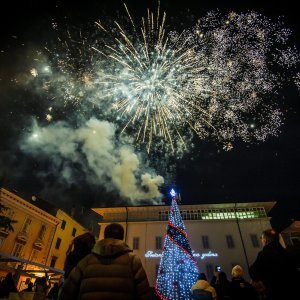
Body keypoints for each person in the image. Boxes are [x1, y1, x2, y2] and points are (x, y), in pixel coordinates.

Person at [58, 223, 151, 300]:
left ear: (105, 236)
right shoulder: (133, 260)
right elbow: (145, 294)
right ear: (122, 237)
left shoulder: (86, 261)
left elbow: (66, 293)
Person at [249, 228, 298, 300]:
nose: (261, 240)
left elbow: (254, 274)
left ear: (265, 240)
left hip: (274, 293)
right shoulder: (288, 253)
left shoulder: (264, 254)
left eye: (261, 238)